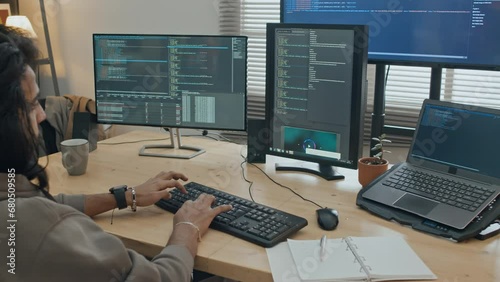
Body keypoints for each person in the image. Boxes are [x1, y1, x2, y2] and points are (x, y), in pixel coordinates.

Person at [0, 25, 232, 282]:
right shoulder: (39, 229)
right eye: (32, 104)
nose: (42, 115)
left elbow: (47, 205)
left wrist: (124, 196)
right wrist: (187, 228)